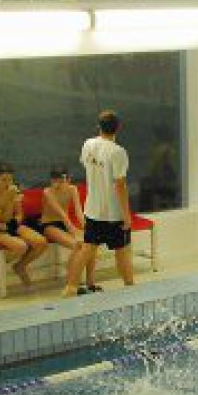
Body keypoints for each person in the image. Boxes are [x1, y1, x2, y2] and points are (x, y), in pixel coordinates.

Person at [65, 111, 135, 296]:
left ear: (99, 126)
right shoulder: (118, 152)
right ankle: (131, 289)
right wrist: (126, 215)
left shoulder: (88, 144)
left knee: (86, 250)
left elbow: (88, 166)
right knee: (122, 252)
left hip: (92, 210)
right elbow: (120, 185)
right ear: (118, 128)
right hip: (113, 214)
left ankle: (70, 288)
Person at [0, 162, 48, 287]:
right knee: (21, 246)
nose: (8, 183)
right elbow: (1, 219)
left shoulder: (12, 190)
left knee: (41, 242)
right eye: (4, 180)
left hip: (9, 223)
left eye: (10, 180)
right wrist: (11, 199)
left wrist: (15, 219)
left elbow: (19, 215)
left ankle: (20, 266)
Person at [31, 167, 96, 294]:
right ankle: (71, 283)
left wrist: (87, 227)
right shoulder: (47, 192)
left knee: (91, 244)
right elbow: (62, 214)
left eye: (61, 181)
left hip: (65, 224)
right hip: (48, 225)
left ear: (68, 180)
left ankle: (91, 283)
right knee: (77, 245)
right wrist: (74, 232)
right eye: (54, 181)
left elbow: (79, 212)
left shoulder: (72, 189)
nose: (57, 184)